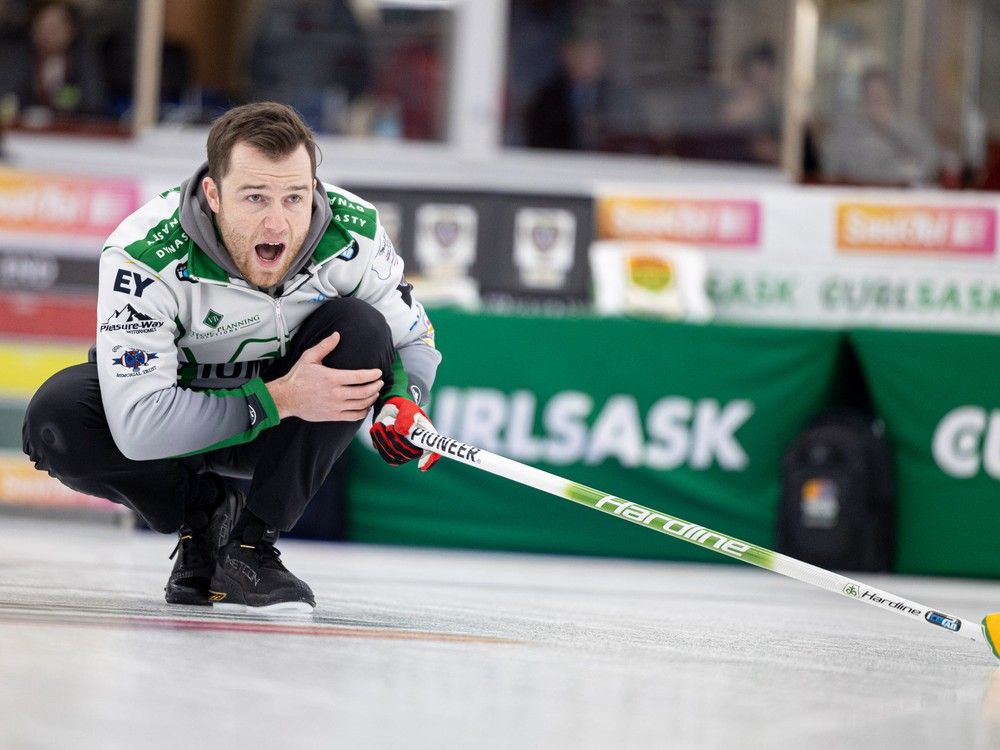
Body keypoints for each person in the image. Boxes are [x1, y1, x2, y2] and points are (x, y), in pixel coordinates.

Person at [22, 102, 442, 613]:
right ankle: (202, 514)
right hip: (179, 426)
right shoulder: (143, 254)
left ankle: (250, 549)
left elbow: (413, 338)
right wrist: (279, 397)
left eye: (295, 198)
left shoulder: (353, 234)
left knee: (361, 330)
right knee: (56, 418)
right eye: (255, 198)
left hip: (278, 431)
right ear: (214, 196)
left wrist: (407, 399)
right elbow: (138, 427)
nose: (278, 223)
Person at [821, 66, 939, 186]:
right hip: (858, 197)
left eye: (880, 96)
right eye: (870, 96)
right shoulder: (846, 131)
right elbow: (830, 169)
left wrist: (892, 127)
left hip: (901, 198)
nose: (876, 103)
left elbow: (930, 164)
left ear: (891, 96)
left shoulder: (911, 127)